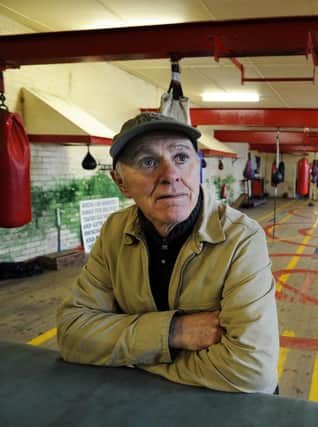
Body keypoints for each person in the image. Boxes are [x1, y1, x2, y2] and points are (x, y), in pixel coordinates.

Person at [56, 112, 279, 393]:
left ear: (197, 166)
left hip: (227, 406)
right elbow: (72, 333)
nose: (170, 175)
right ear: (120, 182)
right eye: (148, 162)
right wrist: (173, 332)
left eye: (181, 158)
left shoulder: (241, 238)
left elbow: (252, 371)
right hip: (147, 402)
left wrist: (132, 358)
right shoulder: (115, 232)